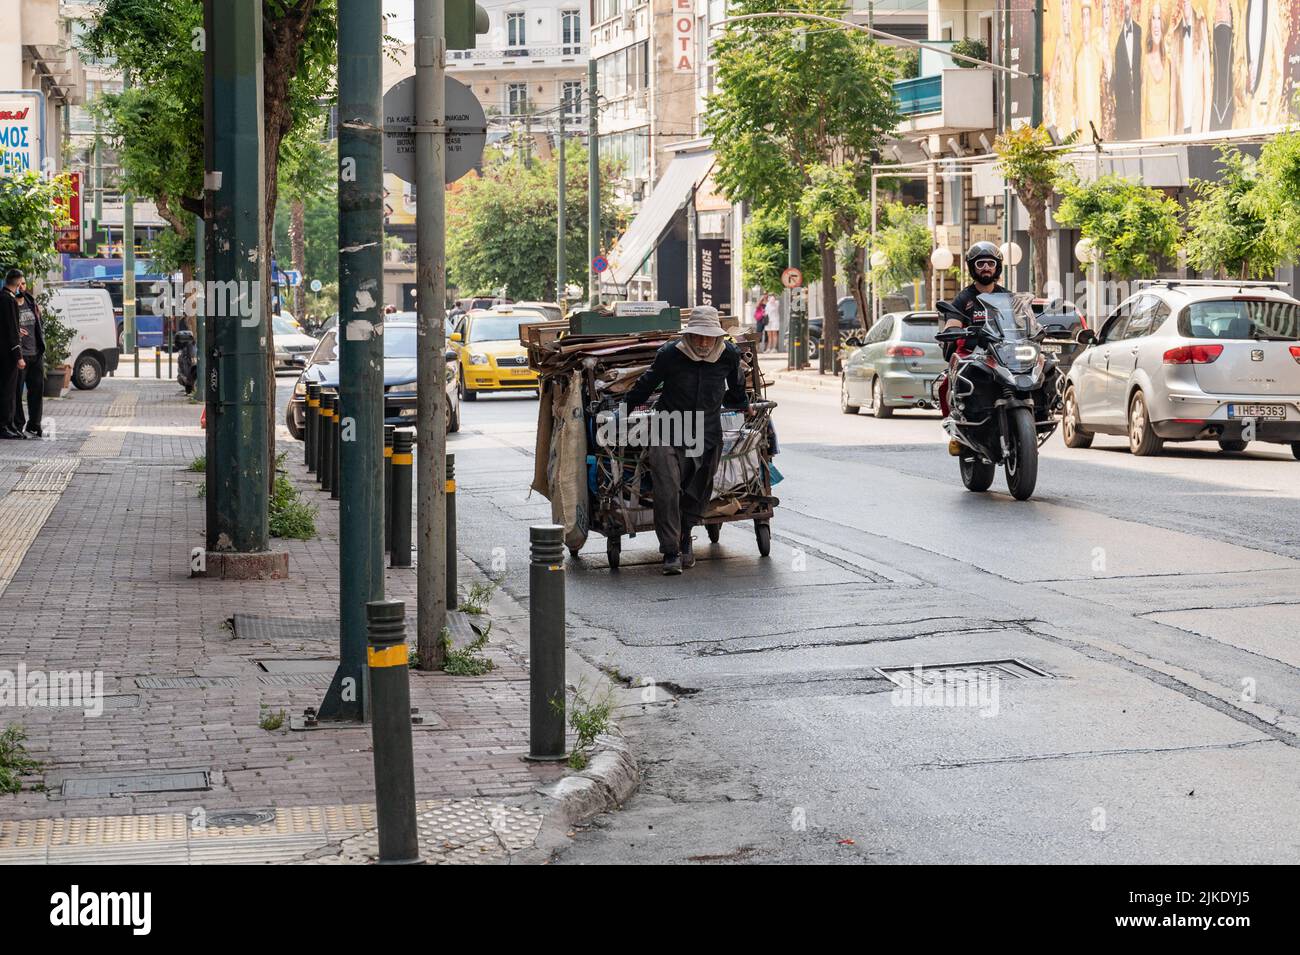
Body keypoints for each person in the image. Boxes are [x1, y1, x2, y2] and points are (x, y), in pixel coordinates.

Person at [624, 306, 751, 576]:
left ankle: (686, 537)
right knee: (667, 488)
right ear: (689, 335)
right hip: (668, 429)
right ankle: (670, 551)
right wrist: (625, 408)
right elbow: (646, 384)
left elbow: (737, 386)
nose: (704, 342)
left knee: (699, 489)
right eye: (698, 336)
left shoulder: (728, 354)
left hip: (707, 432)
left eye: (709, 336)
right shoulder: (670, 354)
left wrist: (742, 403)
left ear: (717, 336)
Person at [938, 243, 1009, 419]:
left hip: (1003, 353)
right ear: (972, 267)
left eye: (990, 263)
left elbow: (1022, 320)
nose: (986, 268)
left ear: (997, 267)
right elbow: (953, 322)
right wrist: (954, 328)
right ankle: (955, 422)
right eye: (980, 263)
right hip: (972, 352)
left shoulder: (1007, 297)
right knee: (948, 384)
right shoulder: (964, 298)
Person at [11, 273, 45, 437]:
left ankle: (35, 424)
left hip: (35, 354)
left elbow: (39, 326)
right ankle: (18, 424)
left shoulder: (31, 303)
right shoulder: (9, 305)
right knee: (17, 393)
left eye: (24, 284)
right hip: (19, 356)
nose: (22, 287)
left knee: (37, 391)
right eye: (19, 284)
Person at [0, 269, 30, 440]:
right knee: (8, 390)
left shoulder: (1, 297)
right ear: (18, 283)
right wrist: (18, 356)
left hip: (2, 352)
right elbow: (11, 331)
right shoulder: (9, 301)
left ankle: (8, 424)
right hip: (8, 354)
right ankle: (5, 425)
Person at [1113, 0, 1143, 140]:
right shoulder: (1115, 35)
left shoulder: (1140, 31)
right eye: (1123, 8)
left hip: (1138, 101)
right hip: (1123, 105)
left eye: (1128, 7)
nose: (1126, 11)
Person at [1142, 3, 1172, 138]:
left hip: (1166, 135)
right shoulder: (1144, 61)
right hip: (1149, 135)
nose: (1155, 24)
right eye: (1153, 18)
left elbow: (1173, 105)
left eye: (1159, 18)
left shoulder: (1169, 63)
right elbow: (1142, 107)